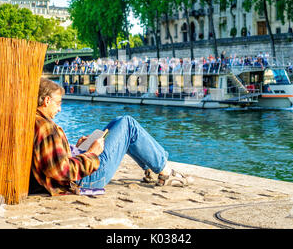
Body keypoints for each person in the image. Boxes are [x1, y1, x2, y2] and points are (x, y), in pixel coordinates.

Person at [31, 78, 190, 196]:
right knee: (128, 125)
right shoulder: (46, 128)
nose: (60, 109)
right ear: (46, 101)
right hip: (85, 178)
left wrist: (76, 148)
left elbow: (53, 158)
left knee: (118, 123)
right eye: (58, 103)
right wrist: (91, 153)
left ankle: (151, 168)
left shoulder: (38, 121)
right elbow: (60, 170)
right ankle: (165, 171)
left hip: (79, 172)